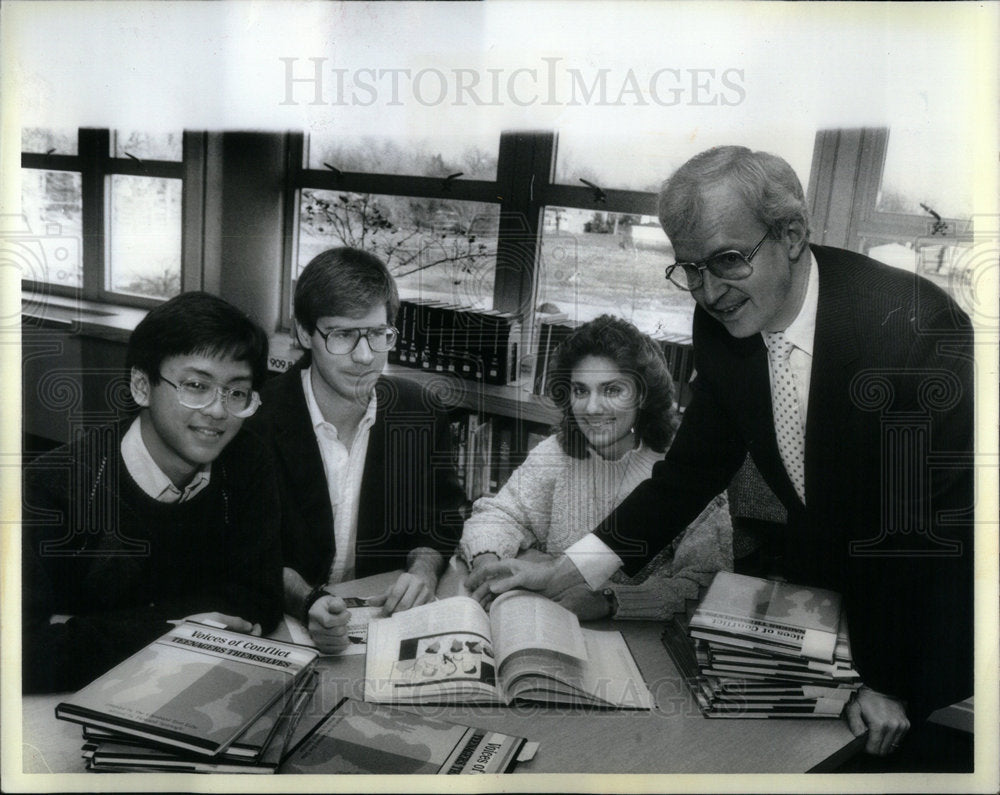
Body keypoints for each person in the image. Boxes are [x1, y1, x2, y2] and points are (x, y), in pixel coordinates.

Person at [468, 146, 974, 758]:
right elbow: (689, 473)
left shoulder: (911, 326)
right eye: (690, 268)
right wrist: (567, 570)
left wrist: (888, 678)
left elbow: (921, 533)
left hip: (926, 612)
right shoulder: (722, 323)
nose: (708, 291)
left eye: (727, 261)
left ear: (791, 233)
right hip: (829, 608)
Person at [22, 292, 283, 693]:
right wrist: (174, 631)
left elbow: (260, 597)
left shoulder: (247, 461)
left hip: (194, 687)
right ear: (142, 387)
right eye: (196, 385)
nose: (218, 410)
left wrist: (84, 631)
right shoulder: (51, 487)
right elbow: (22, 653)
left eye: (236, 392)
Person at [246, 247, 468, 654]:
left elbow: (441, 519)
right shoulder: (254, 421)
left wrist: (423, 570)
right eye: (343, 335)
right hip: (281, 628)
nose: (366, 357)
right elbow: (245, 552)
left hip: (383, 629)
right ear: (303, 333)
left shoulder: (419, 411)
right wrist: (307, 600)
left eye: (378, 334)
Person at [459, 315, 731, 620]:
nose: (591, 408)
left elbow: (703, 587)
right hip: (549, 619)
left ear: (642, 395)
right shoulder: (556, 454)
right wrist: (487, 563)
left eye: (612, 390)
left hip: (640, 638)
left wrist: (609, 601)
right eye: (580, 390)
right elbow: (499, 514)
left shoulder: (685, 472)